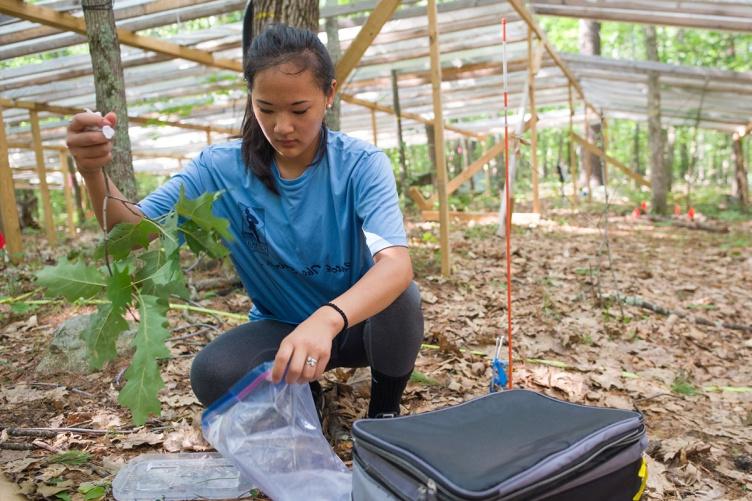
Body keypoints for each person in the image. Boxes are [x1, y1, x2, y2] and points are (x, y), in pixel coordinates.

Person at [65, 24, 424, 419]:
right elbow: (133, 232)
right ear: (250, 99)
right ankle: (308, 398)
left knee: (401, 298)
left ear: (329, 95)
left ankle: (384, 413)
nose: (282, 126)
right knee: (213, 374)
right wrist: (93, 173)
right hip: (281, 331)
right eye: (266, 109)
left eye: (299, 110)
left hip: (357, 325)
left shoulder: (360, 165)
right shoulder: (219, 169)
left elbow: (395, 263)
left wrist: (327, 318)